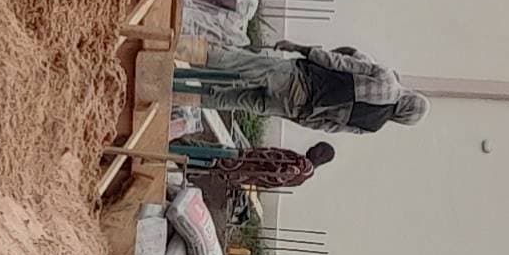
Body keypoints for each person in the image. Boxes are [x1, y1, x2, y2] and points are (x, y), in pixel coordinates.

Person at [176, 41, 425, 134]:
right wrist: (295, 117)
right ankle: (174, 95)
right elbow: (327, 127)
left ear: (410, 97)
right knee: (229, 100)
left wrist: (300, 48)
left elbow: (339, 62)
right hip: (296, 108)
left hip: (299, 79)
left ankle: (179, 48)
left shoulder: (388, 83)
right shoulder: (374, 126)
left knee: (239, 64)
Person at [180, 139, 337, 201]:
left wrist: (260, 158)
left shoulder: (299, 165)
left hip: (244, 163)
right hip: (246, 173)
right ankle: (184, 163)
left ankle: (179, 149)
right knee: (212, 167)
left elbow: (275, 174)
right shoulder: (303, 176)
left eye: (316, 148)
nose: (310, 147)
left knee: (211, 152)